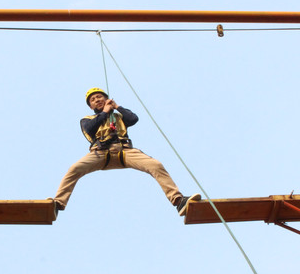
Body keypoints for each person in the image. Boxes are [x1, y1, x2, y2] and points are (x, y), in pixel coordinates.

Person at [52, 87, 200, 216]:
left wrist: (116, 106)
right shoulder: (87, 119)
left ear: (107, 99)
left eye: (100, 97)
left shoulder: (118, 116)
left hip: (124, 151)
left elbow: (134, 119)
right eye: (93, 99)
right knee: (74, 169)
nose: (97, 99)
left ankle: (179, 201)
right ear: (91, 106)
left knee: (155, 165)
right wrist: (104, 112)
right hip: (101, 152)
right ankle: (57, 204)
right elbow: (90, 130)